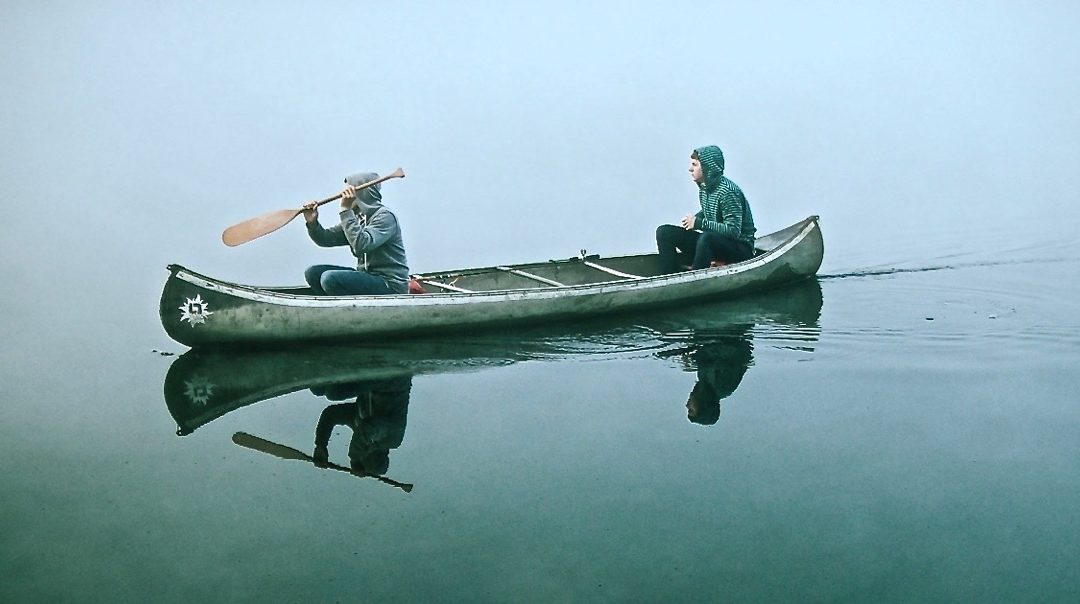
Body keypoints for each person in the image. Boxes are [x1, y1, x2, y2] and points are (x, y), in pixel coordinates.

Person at [302, 172, 409, 295]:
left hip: (389, 284)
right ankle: (334, 308)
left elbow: (362, 245)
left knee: (329, 278)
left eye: (348, 193)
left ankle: (347, 310)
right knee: (313, 273)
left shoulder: (385, 217)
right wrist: (312, 223)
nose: (343, 197)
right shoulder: (358, 218)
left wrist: (346, 210)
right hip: (367, 276)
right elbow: (326, 239)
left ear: (361, 194)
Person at [656, 145, 756, 274]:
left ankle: (694, 279)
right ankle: (669, 276)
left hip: (740, 249)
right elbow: (710, 211)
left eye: (695, 165)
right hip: (716, 244)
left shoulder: (728, 192)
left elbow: (733, 231)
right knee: (664, 232)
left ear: (708, 167)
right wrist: (696, 219)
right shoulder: (705, 189)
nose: (690, 169)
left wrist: (699, 223)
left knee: (706, 238)